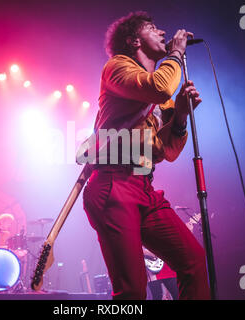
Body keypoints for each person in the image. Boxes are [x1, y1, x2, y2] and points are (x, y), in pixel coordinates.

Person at [82, 11, 210, 300]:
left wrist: (179, 117)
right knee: (132, 292)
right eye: (153, 28)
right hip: (113, 184)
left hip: (143, 186)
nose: (163, 33)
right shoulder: (117, 68)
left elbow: (166, 152)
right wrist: (176, 53)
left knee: (193, 261)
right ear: (134, 40)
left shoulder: (158, 97)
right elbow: (161, 85)